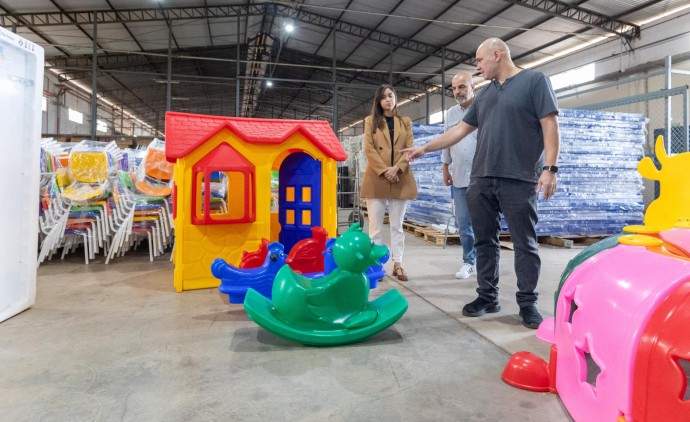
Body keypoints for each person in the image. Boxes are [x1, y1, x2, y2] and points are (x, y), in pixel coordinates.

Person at [404, 38, 559, 329]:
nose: (477, 67)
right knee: (484, 241)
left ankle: (527, 303)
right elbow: (459, 130)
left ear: (496, 55)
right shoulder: (485, 95)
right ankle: (487, 296)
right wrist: (424, 148)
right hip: (482, 178)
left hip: (519, 177)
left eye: (479, 60)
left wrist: (550, 169)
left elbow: (549, 124)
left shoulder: (535, 81)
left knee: (524, 243)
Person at [360, 84, 418, 282]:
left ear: (395, 98)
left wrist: (396, 169)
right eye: (384, 97)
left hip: (400, 177)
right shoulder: (370, 121)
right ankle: (376, 265)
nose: (388, 99)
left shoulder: (405, 122)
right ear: (378, 101)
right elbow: (369, 149)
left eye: (391, 96)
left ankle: (398, 263)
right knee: (375, 227)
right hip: (377, 177)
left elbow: (410, 148)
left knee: (397, 226)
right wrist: (385, 170)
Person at [442, 71, 477, 280]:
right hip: (459, 177)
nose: (458, 92)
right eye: (454, 88)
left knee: (483, 223)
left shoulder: (483, 107)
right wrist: (445, 168)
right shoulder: (451, 113)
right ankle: (469, 261)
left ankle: (486, 262)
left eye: (462, 86)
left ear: (473, 87)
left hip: (482, 177)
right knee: (464, 224)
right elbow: (446, 140)